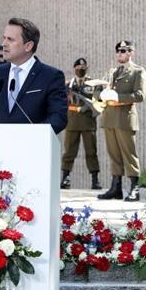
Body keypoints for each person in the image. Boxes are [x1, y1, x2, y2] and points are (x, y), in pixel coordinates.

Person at [0, 17, 67, 133]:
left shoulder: (51, 76)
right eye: (4, 38)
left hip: (33, 147)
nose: (4, 44)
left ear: (28, 46)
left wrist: (29, 135)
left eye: (10, 40)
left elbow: (58, 118)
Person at [97, 40, 146, 202]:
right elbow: (102, 92)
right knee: (114, 155)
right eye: (118, 51)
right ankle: (116, 188)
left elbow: (140, 95)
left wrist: (118, 97)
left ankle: (134, 188)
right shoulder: (113, 72)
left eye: (124, 51)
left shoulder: (137, 72)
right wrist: (101, 95)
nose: (120, 53)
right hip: (109, 117)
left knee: (129, 154)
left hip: (125, 118)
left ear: (132, 53)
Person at [60, 57, 102, 190]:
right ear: (74, 69)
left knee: (91, 151)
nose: (81, 71)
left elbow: (98, 101)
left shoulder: (94, 84)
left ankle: (95, 179)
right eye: (78, 69)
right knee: (69, 152)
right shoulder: (68, 85)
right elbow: (62, 102)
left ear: (87, 69)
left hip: (88, 122)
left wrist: (85, 108)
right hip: (72, 121)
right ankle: (65, 177)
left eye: (83, 69)